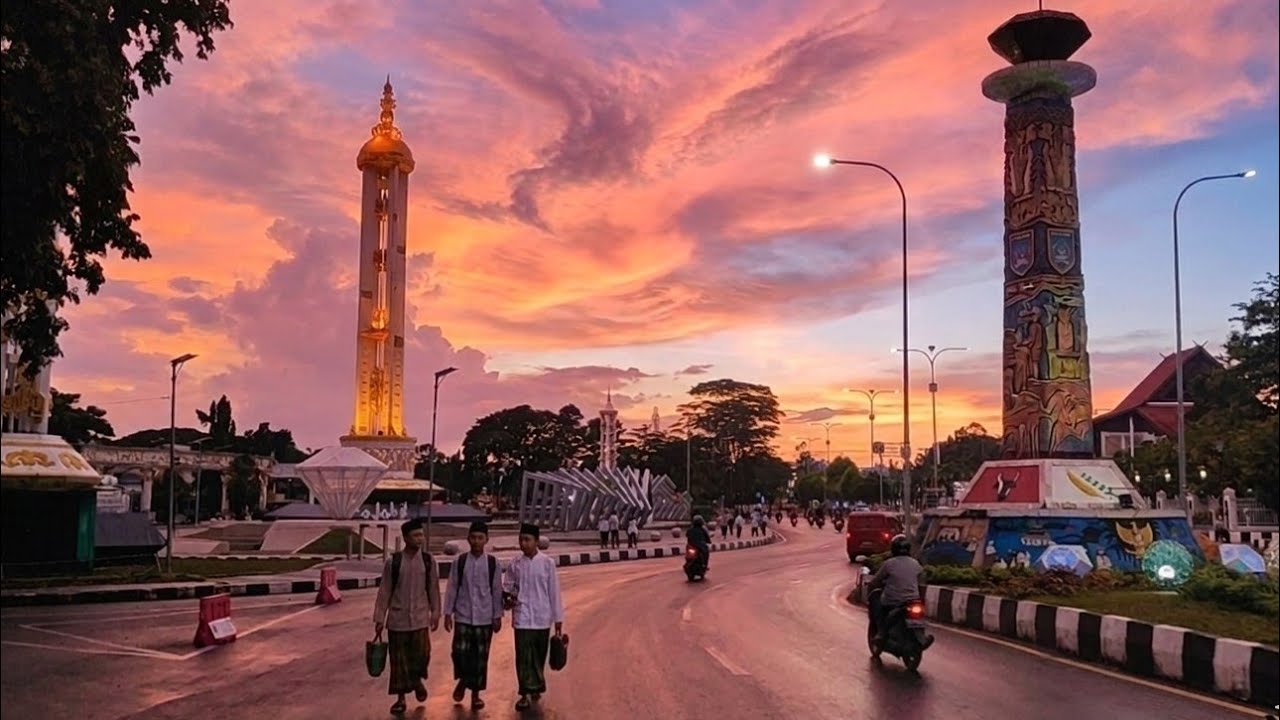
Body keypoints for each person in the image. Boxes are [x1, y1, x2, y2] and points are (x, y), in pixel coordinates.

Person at [373, 518, 441, 715]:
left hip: (420, 619)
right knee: (399, 662)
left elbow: (433, 589)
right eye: (415, 535)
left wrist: (435, 612)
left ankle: (417, 680)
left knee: (422, 655)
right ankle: (401, 699)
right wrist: (379, 618)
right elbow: (384, 591)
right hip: (397, 620)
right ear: (405, 538)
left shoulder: (428, 561)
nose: (420, 539)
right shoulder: (393, 562)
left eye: (421, 535)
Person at [443, 520, 504, 710]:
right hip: (463, 615)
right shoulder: (459, 562)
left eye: (480, 538)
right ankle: (463, 680)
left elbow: (497, 591)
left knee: (480, 657)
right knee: (459, 652)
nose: (477, 541)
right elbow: (452, 587)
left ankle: (475, 694)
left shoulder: (493, 563)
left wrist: (497, 616)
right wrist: (447, 613)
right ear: (468, 539)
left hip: (485, 617)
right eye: (473, 538)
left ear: (486, 540)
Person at [507, 524, 565, 711]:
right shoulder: (515, 564)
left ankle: (536, 686)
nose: (523, 543)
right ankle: (524, 693)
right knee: (523, 657)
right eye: (521, 539)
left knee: (539, 656)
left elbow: (554, 592)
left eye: (527, 539)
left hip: (541, 617)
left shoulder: (547, 564)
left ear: (536, 541)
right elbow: (507, 586)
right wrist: (509, 596)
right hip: (522, 618)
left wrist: (558, 618)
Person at [866, 534, 931, 647]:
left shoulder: (889, 564)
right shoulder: (916, 564)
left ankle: (881, 633)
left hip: (893, 601)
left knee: (878, 607)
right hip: (913, 600)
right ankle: (921, 638)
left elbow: (875, 581)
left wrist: (870, 587)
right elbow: (922, 581)